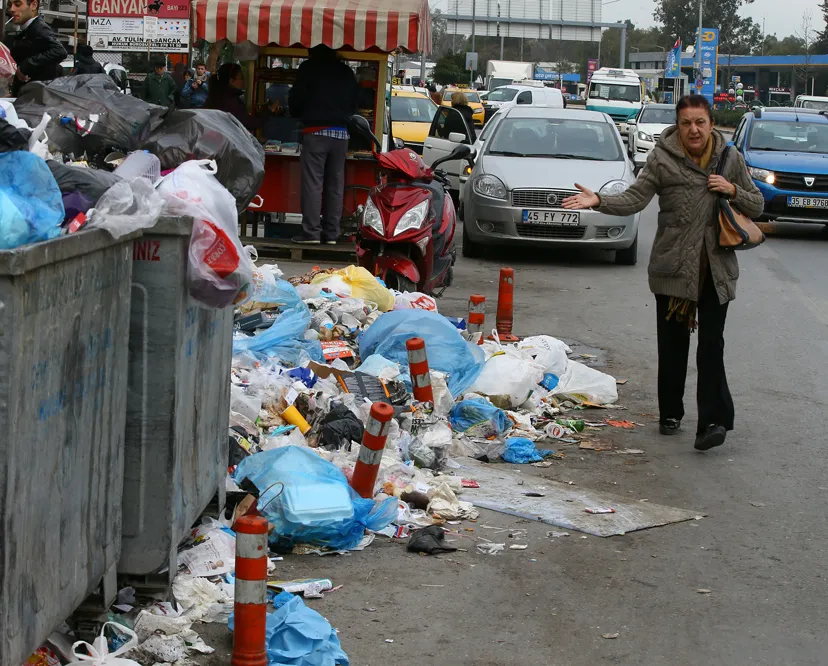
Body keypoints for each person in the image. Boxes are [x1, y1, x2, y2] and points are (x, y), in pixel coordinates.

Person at [562, 95, 764, 452]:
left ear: (711, 123)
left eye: (700, 122)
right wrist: (600, 201)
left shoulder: (729, 159)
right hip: (673, 268)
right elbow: (636, 199)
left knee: (711, 347)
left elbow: (757, 203)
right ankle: (670, 412)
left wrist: (732, 189)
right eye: (686, 123)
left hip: (715, 270)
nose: (694, 130)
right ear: (678, 125)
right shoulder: (662, 158)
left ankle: (712, 423)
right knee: (673, 346)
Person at [288, 44, 358, 245]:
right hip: (341, 134)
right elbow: (355, 102)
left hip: (315, 132)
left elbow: (296, 101)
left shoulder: (308, 69)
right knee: (335, 186)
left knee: (313, 184)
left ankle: (311, 233)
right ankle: (331, 234)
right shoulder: (345, 71)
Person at [4, 0, 67, 96]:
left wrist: (27, 65)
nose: (12, 9)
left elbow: (59, 51)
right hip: (30, 96)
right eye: (10, 5)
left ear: (33, 5)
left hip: (37, 99)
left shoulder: (39, 28)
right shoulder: (27, 29)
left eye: (17, 4)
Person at [205, 62, 275, 131]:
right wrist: (268, 111)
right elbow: (248, 123)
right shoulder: (231, 101)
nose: (243, 81)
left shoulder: (216, 96)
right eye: (241, 78)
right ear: (231, 81)